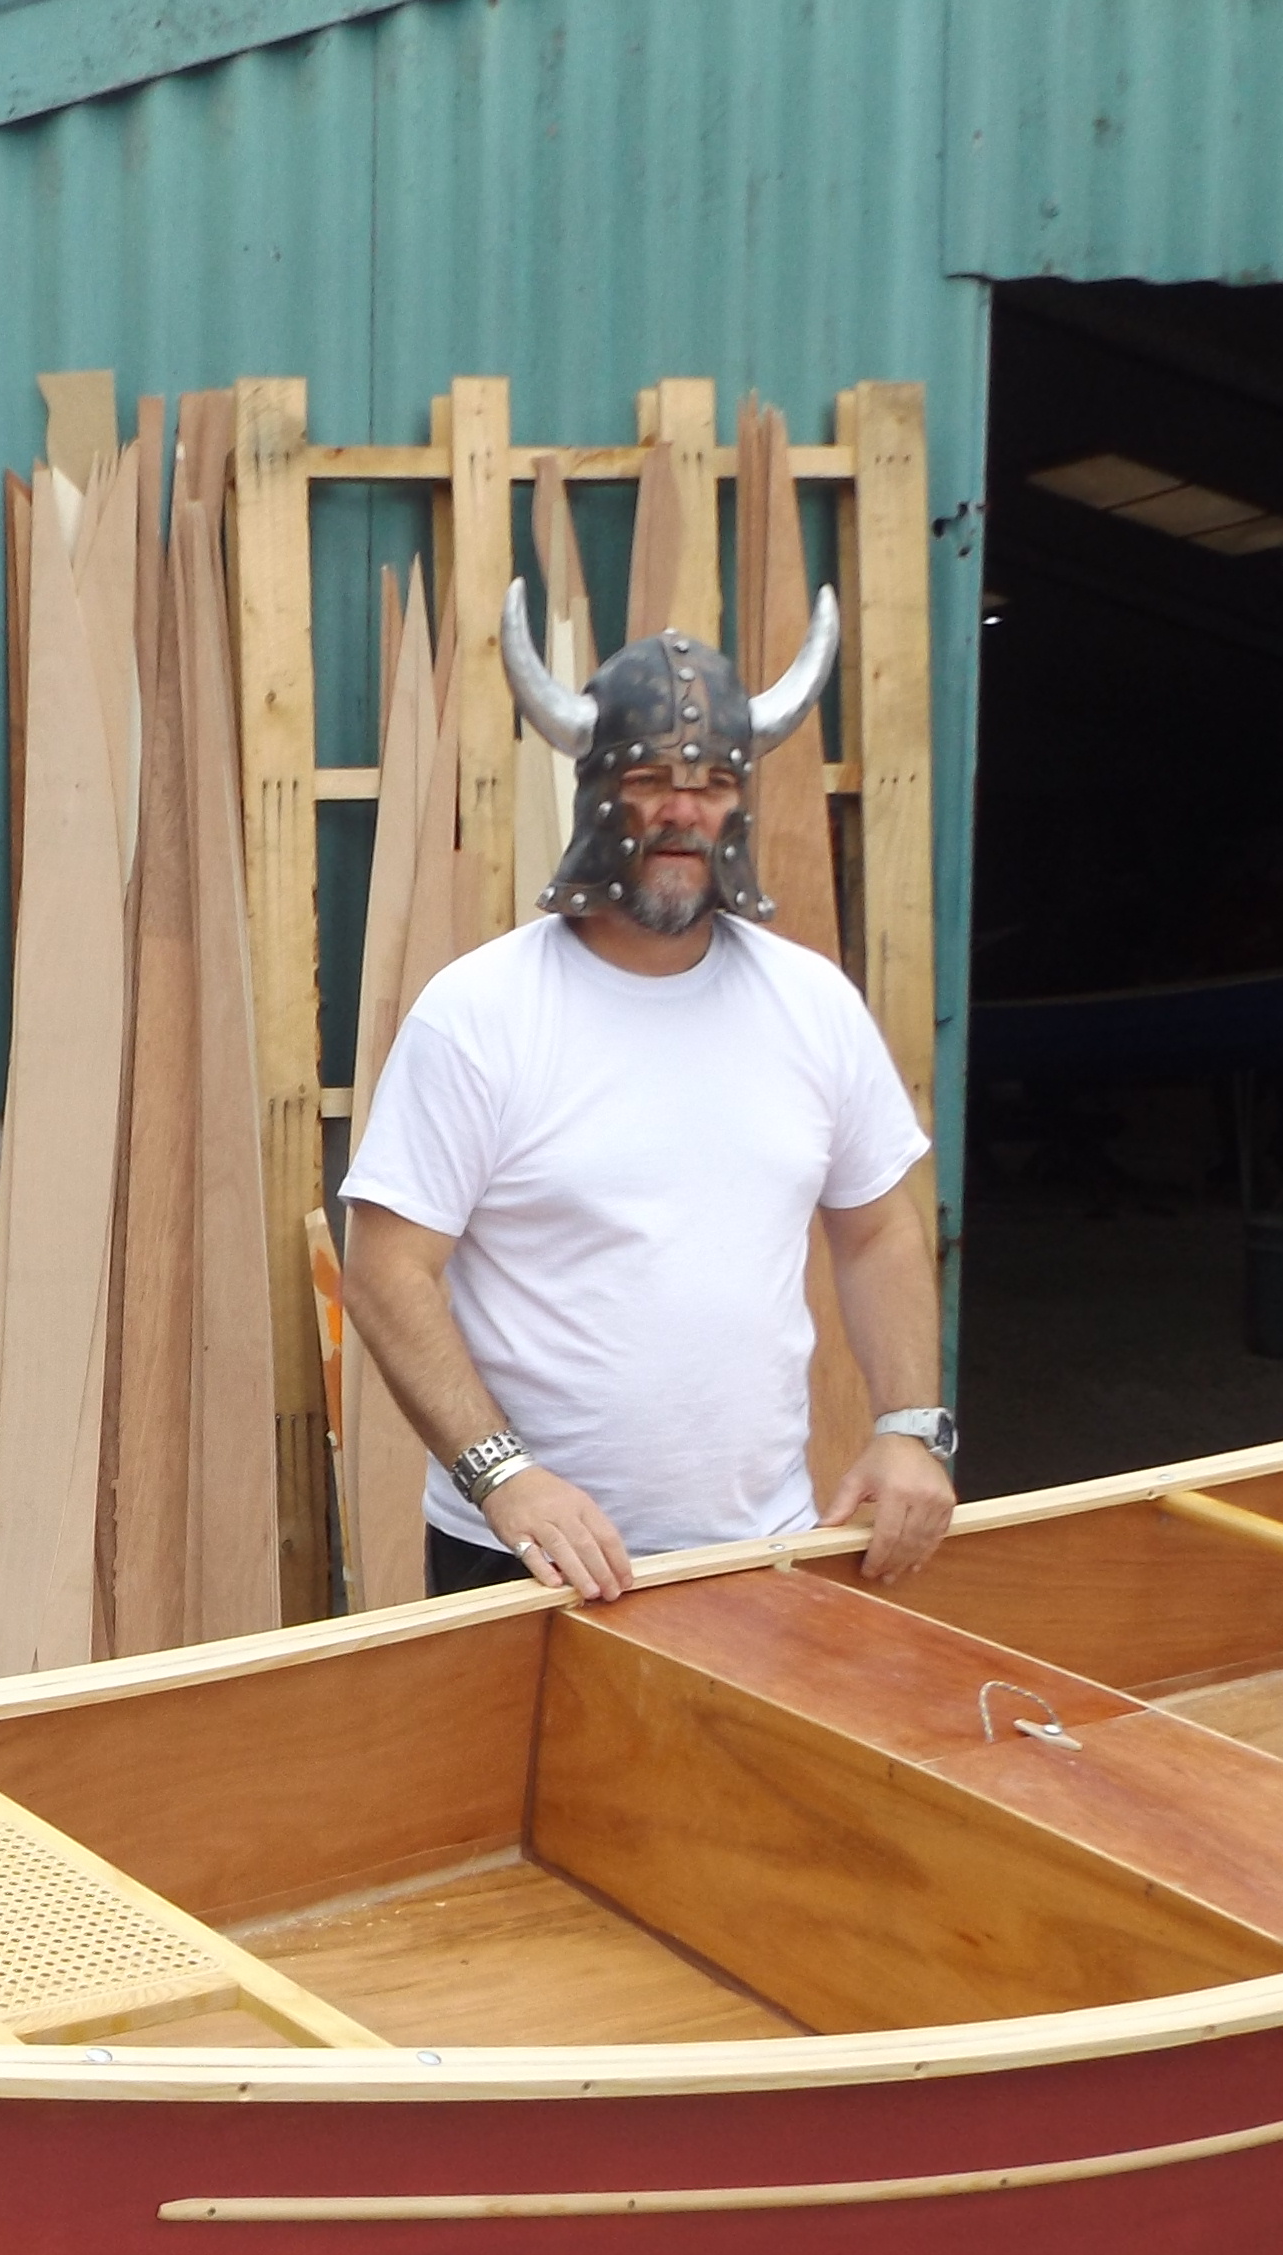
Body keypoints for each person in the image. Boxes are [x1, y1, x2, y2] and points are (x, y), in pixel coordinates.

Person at [339, 586, 954, 1605]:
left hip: (763, 1548)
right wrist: (505, 1478)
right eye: (650, 778)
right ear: (594, 790)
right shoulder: (483, 1012)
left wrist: (910, 1429)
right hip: (532, 1559)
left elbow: (879, 1231)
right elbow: (387, 1269)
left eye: (712, 780)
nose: (682, 809)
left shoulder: (811, 1003)